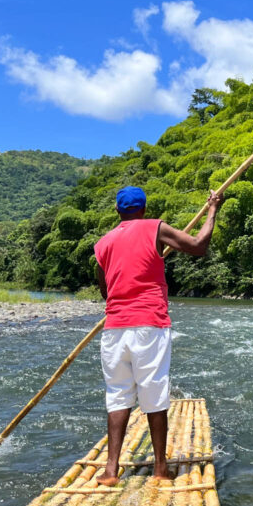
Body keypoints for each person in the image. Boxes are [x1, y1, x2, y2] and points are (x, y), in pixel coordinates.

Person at [92, 185, 222, 485]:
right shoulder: (156, 228)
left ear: (117, 211)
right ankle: (160, 469)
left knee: (118, 396)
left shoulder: (104, 243)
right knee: (154, 393)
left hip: (114, 328)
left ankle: (111, 471)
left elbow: (106, 291)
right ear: (144, 209)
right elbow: (199, 246)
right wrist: (213, 208)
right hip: (149, 324)